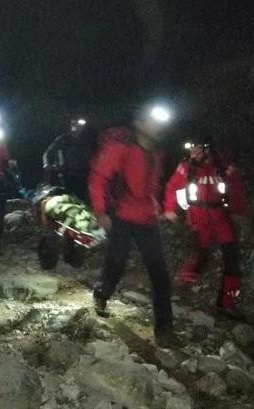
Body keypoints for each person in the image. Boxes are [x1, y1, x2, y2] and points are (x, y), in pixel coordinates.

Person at [89, 106, 177, 347]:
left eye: (160, 123)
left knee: (160, 274)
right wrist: (100, 211)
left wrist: (161, 207)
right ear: (139, 124)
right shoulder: (121, 148)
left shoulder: (157, 152)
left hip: (148, 218)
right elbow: (99, 177)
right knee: (116, 262)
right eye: (152, 122)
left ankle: (165, 330)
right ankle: (101, 294)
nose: (157, 127)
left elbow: (153, 184)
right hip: (122, 216)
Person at [163, 136, 246, 317]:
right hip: (197, 218)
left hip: (220, 217)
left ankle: (227, 302)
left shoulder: (222, 167)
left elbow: (236, 188)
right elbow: (172, 186)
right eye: (191, 148)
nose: (193, 152)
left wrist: (237, 211)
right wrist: (169, 208)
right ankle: (181, 289)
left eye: (197, 147)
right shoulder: (186, 167)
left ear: (207, 149)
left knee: (232, 260)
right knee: (201, 256)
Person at [42, 117, 94, 202]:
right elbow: (48, 152)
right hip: (67, 175)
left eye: (81, 126)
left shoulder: (85, 140)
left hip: (83, 175)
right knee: (69, 197)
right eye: (77, 125)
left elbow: (90, 155)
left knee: (82, 198)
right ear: (72, 125)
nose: (80, 128)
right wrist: (47, 164)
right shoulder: (64, 139)